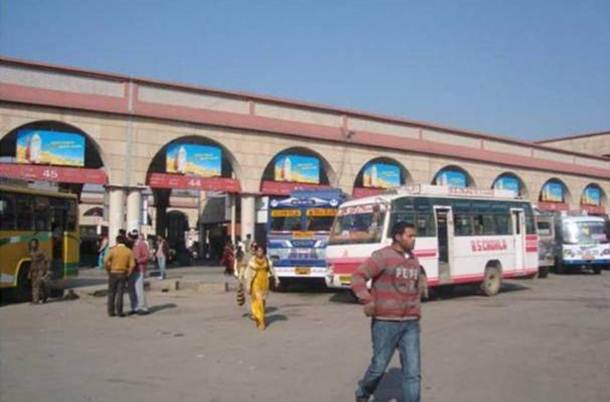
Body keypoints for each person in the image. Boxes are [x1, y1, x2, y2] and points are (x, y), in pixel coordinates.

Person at [351, 221, 425, 402]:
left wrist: (417, 310)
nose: (414, 239)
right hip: (385, 322)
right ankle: (363, 393)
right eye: (410, 236)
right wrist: (366, 299)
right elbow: (358, 277)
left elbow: (415, 288)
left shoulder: (414, 260)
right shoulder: (382, 256)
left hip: (410, 323)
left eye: (415, 236)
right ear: (398, 237)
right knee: (379, 366)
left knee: (413, 372)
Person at [241, 244, 279, 330]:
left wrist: (277, 279)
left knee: (263, 302)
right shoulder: (252, 261)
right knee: (259, 301)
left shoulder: (266, 260)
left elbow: (272, 270)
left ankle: (258, 315)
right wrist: (248, 285)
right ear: (256, 252)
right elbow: (250, 275)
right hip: (256, 283)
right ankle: (261, 322)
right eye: (258, 251)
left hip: (265, 282)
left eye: (261, 251)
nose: (260, 253)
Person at [104, 235, 135, 317]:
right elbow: (132, 265)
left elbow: (106, 261)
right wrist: (128, 273)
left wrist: (108, 270)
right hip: (123, 273)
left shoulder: (112, 250)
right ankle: (119, 312)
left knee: (111, 293)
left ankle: (111, 311)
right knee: (120, 293)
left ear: (117, 241)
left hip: (113, 273)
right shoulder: (129, 251)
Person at [128, 231, 150, 315]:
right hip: (131, 269)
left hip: (139, 269)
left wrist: (138, 261)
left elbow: (146, 256)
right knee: (131, 289)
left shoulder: (142, 244)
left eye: (129, 237)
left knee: (139, 289)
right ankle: (134, 307)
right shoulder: (130, 245)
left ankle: (143, 307)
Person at [28, 238, 49, 304]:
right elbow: (32, 262)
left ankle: (36, 300)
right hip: (34, 270)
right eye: (32, 243)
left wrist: (46, 270)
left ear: (37, 244)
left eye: (34, 243)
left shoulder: (41, 251)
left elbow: (47, 260)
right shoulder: (31, 252)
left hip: (40, 270)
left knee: (38, 284)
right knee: (35, 285)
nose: (33, 245)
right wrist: (29, 272)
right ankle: (44, 296)